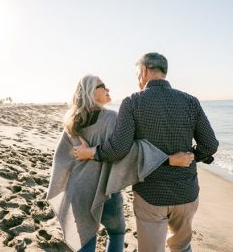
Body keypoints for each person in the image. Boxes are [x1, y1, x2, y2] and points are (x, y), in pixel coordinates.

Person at [74, 53, 219, 252]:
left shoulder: (133, 102)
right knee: (182, 247)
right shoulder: (190, 101)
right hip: (186, 192)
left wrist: (93, 152)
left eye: (137, 74)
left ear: (143, 71)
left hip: (151, 194)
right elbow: (210, 145)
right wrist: (193, 155)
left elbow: (118, 149)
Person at [46, 74, 194, 252]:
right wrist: (169, 158)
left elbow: (62, 157)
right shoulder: (111, 118)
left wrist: (83, 158)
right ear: (90, 91)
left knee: (85, 237)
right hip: (106, 189)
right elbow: (130, 151)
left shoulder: (72, 121)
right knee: (116, 233)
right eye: (103, 86)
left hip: (79, 190)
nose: (108, 89)